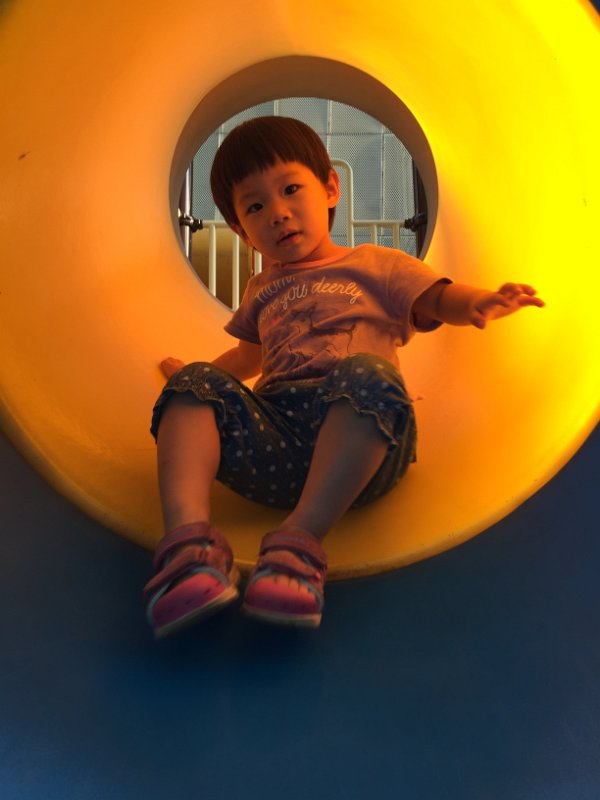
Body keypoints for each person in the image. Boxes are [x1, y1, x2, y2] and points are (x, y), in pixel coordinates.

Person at [144, 116, 544, 637]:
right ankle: (189, 550)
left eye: (291, 189)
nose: (278, 213)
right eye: (255, 207)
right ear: (242, 231)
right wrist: (191, 382)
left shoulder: (376, 264)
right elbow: (246, 360)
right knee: (193, 385)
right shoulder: (261, 289)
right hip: (278, 444)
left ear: (330, 187)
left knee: (366, 375)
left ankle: (297, 545)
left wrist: (479, 302)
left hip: (364, 440)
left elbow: (437, 298)